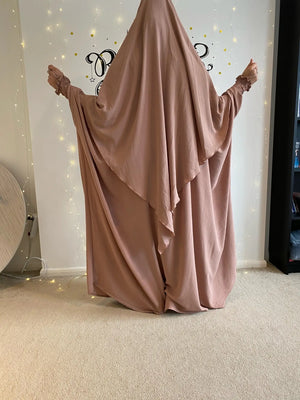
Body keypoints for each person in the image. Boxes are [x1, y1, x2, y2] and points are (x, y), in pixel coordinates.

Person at [47, 0, 257, 314]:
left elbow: (103, 115)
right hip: (184, 176)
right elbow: (217, 113)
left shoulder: (131, 63)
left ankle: (148, 287)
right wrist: (242, 84)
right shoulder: (188, 64)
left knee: (143, 222)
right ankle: (183, 285)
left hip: (146, 172)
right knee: (183, 226)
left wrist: (67, 88)